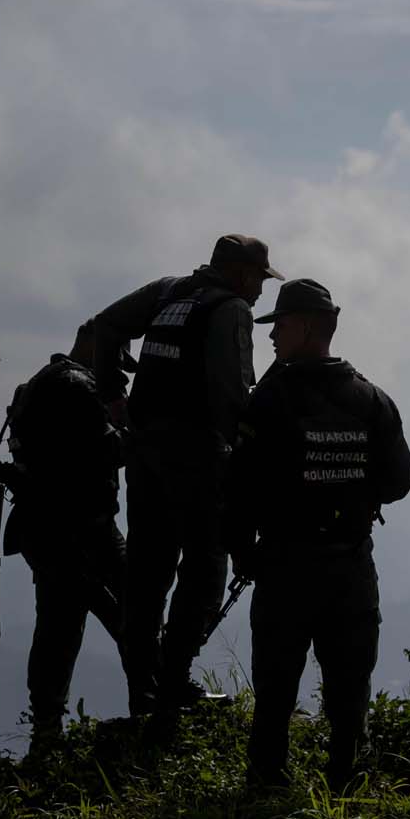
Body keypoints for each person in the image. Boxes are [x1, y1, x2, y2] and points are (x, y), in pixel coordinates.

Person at [225, 279, 410, 790]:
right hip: (351, 564)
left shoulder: (267, 400)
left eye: (279, 325)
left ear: (307, 327)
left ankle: (265, 789)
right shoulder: (372, 399)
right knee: (350, 691)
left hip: (285, 566)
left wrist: (244, 555)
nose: (271, 337)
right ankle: (347, 788)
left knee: (276, 690)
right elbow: (399, 482)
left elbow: (239, 490)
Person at [91, 233, 282, 714]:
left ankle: (143, 689)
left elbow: (106, 325)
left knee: (147, 568)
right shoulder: (231, 308)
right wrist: (248, 459)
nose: (260, 290)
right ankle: (174, 678)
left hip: (144, 450)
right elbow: (233, 392)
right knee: (205, 564)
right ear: (240, 272)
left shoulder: (167, 291)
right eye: (259, 277)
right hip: (196, 454)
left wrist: (113, 395)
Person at [5, 321, 135, 754]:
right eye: (117, 360)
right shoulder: (78, 389)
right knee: (134, 615)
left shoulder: (38, 386)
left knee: (58, 628)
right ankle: (154, 709)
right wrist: (134, 428)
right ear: (95, 348)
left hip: (49, 528)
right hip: (83, 529)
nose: (119, 373)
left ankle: (47, 730)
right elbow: (107, 451)